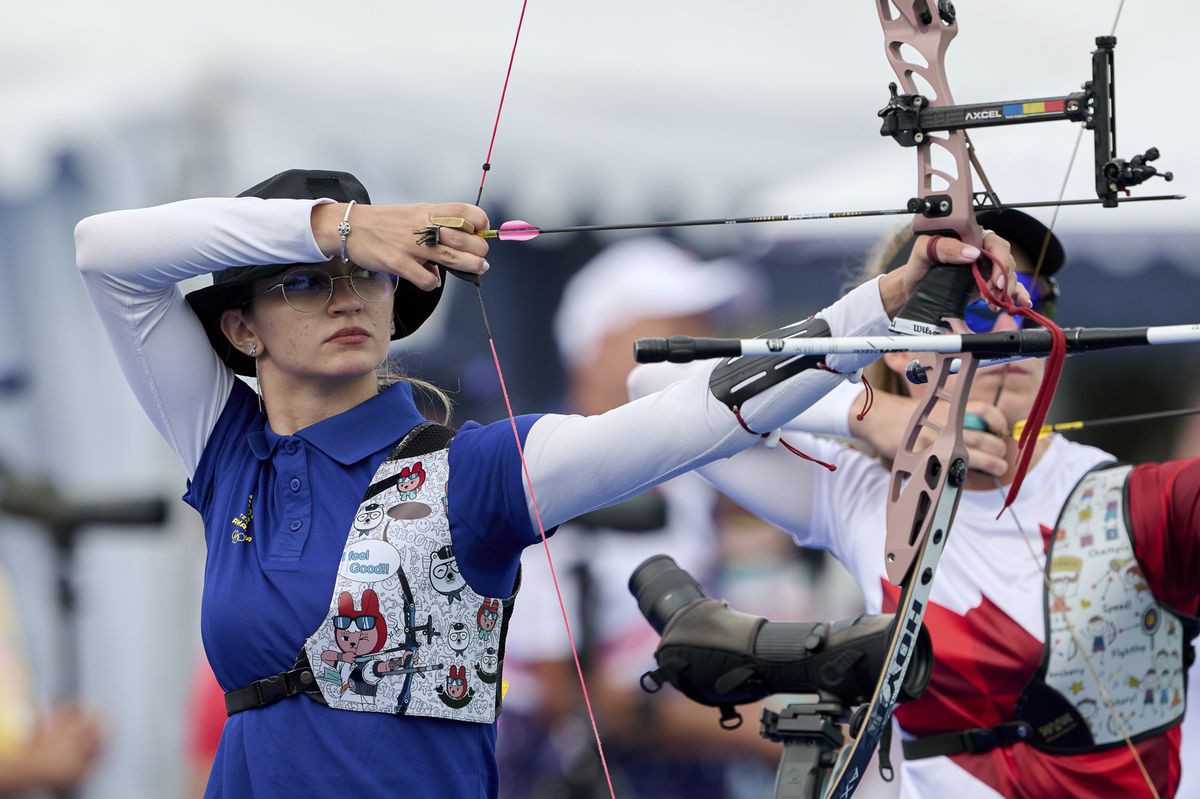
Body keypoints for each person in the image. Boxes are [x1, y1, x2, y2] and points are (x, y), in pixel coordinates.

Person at [74, 168, 1018, 797]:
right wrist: (349, 227)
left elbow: (697, 415)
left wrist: (886, 303)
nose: (345, 295)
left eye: (361, 276)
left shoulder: (472, 471)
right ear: (241, 330)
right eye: (304, 282)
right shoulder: (228, 449)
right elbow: (103, 252)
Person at [629, 209, 1199, 798]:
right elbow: (655, 392)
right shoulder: (857, 494)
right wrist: (864, 411)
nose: (1013, 326)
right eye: (979, 302)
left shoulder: (1137, 502)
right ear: (902, 349)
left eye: (1031, 301)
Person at [499, 238, 781, 797]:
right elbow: (573, 698)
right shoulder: (542, 479)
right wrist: (779, 733)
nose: (701, 359)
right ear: (596, 348)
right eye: (674, 336)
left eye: (702, 334)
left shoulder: (685, 485)